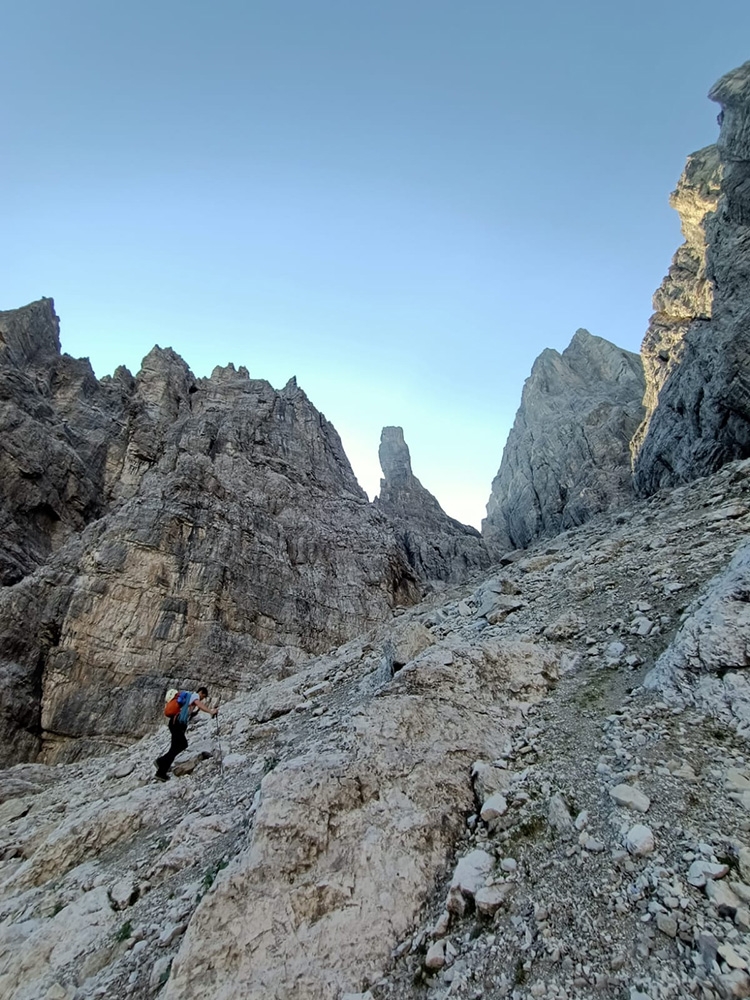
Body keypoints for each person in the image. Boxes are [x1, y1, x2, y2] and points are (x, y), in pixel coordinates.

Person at [155, 686, 218, 781]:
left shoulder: (188, 700)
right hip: (177, 724)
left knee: (175, 747)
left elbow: (190, 714)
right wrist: (210, 711)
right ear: (201, 693)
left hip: (175, 723)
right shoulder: (194, 696)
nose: (202, 698)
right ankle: (161, 766)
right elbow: (199, 704)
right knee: (182, 744)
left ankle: (161, 768)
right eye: (203, 696)